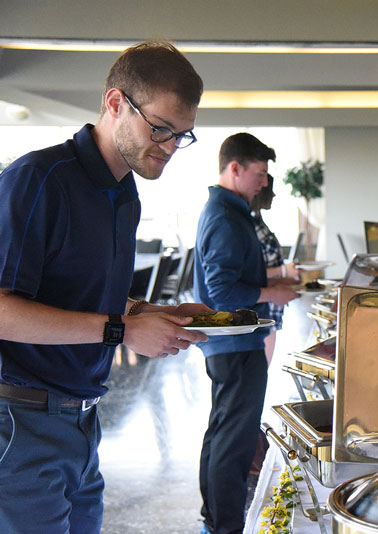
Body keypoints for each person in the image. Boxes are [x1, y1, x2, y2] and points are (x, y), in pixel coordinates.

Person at [0, 40, 209, 533]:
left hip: (81, 420)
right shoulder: (38, 178)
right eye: (160, 128)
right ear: (115, 104)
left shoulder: (124, 193)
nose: (171, 147)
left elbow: (87, 295)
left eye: (183, 135)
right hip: (20, 420)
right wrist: (120, 330)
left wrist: (149, 313)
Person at [194, 132, 299, 534]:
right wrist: (273, 292)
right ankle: (224, 526)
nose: (265, 182)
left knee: (223, 432)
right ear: (235, 168)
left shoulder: (230, 211)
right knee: (233, 442)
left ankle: (214, 521)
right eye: (259, 173)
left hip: (229, 343)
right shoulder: (224, 215)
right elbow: (221, 291)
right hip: (235, 341)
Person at [250, 174, 300, 365]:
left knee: (263, 370)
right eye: (270, 189)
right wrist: (284, 271)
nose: (274, 194)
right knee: (261, 369)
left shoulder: (257, 222)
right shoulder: (250, 225)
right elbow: (252, 273)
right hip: (264, 308)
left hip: (271, 306)